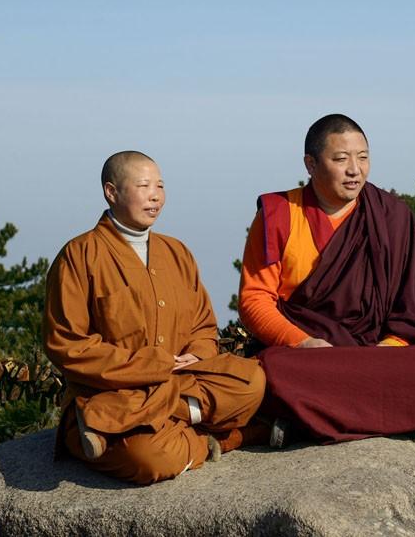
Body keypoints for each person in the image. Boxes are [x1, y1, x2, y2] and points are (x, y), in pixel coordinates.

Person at [238, 114, 415, 444]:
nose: (354, 170)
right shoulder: (280, 213)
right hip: (309, 353)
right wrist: (303, 343)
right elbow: (254, 300)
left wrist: (384, 352)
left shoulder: (392, 216)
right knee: (271, 368)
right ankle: (393, 416)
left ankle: (306, 420)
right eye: (340, 159)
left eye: (363, 158)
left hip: (375, 353)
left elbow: (411, 314)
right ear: (311, 164)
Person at [44, 151, 267, 484]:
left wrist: (199, 353)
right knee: (149, 460)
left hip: (179, 380)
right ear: (111, 192)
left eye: (160, 186)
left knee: (252, 381)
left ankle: (114, 420)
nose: (155, 196)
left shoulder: (176, 252)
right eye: (144, 185)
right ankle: (225, 438)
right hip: (112, 390)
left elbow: (204, 326)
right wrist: (150, 366)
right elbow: (68, 344)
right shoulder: (79, 256)